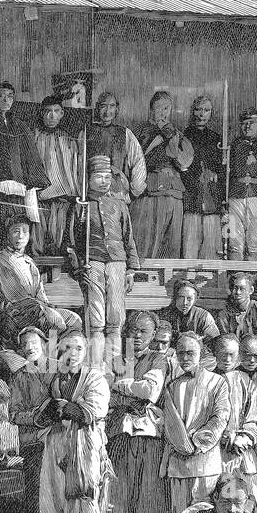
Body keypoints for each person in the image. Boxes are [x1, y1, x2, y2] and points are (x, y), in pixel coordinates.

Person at [24, 328, 111, 513]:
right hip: (55, 444)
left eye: (78, 349)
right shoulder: (55, 378)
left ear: (85, 352)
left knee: (82, 498)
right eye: (65, 349)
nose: (71, 354)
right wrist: (54, 409)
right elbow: (44, 411)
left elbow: (92, 410)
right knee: (52, 497)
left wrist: (66, 407)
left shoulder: (95, 378)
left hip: (83, 445)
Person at [106, 312, 171, 513]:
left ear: (153, 335)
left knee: (148, 495)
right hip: (120, 433)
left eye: (142, 332)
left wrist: (120, 387)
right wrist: (129, 392)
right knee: (118, 492)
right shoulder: (116, 360)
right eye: (131, 331)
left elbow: (150, 391)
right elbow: (106, 394)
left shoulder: (158, 359)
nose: (135, 336)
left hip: (147, 435)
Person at [69, 154, 140, 365]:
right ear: (89, 179)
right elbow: (71, 242)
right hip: (93, 262)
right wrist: (77, 267)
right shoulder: (81, 206)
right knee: (96, 319)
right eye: (99, 177)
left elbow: (129, 238)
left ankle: (114, 366)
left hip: (117, 263)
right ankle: (96, 366)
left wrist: (131, 270)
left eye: (107, 177)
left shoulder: (119, 205)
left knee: (116, 319)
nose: (104, 181)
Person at [160, 331, 231, 513]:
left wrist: (198, 442)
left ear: (201, 353)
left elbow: (220, 417)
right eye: (180, 353)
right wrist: (182, 444)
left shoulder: (217, 382)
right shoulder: (172, 386)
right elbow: (169, 423)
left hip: (205, 465)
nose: (184, 357)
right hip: (177, 467)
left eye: (190, 353)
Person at [0, 218, 76, 348]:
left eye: (25, 232)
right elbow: (12, 294)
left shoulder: (28, 261)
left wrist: (45, 305)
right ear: (8, 234)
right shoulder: (0, 259)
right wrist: (41, 307)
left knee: (74, 320)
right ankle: (48, 358)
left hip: (35, 309)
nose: (21, 236)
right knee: (56, 323)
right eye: (16, 231)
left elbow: (40, 291)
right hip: (13, 312)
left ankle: (56, 354)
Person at [213, 334, 257, 513]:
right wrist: (219, 436)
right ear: (214, 354)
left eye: (232, 355)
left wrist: (243, 437)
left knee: (249, 503)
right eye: (223, 354)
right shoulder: (208, 379)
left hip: (242, 455)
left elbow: (254, 419)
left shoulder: (245, 381)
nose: (227, 360)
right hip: (215, 455)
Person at [131, 91, 193, 258]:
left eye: (167, 108)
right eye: (159, 108)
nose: (163, 112)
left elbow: (184, 162)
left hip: (174, 192)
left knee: (171, 246)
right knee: (147, 243)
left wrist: (172, 137)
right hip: (150, 191)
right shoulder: (141, 131)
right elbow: (137, 159)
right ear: (151, 110)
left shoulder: (176, 133)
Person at [8, 326, 52, 513]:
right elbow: (13, 413)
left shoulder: (57, 370)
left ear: (44, 344)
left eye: (34, 342)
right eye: (25, 344)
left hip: (57, 440)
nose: (30, 347)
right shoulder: (20, 376)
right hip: (33, 443)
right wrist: (36, 417)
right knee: (35, 493)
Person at [0, 81, 49, 246]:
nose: (5, 100)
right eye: (0, 96)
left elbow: (31, 156)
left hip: (18, 188)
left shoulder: (20, 125)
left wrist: (29, 184)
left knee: (18, 229)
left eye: (9, 96)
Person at [32, 95, 81, 257]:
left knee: (60, 239)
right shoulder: (34, 137)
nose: (51, 116)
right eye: (47, 111)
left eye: (56, 111)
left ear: (62, 113)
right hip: (41, 197)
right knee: (38, 241)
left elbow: (74, 169)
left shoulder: (69, 140)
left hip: (64, 198)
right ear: (41, 113)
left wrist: (76, 194)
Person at [224, 107, 257, 261]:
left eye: (251, 123)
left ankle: (253, 280)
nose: (247, 126)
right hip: (235, 197)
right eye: (244, 123)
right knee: (234, 240)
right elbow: (226, 174)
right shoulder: (232, 147)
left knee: (256, 240)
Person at [181, 95, 224, 261]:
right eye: (198, 109)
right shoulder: (185, 136)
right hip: (191, 197)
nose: (201, 114)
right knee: (190, 246)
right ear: (193, 111)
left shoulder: (216, 139)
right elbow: (182, 167)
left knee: (212, 249)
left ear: (211, 113)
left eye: (206, 110)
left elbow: (222, 169)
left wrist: (214, 174)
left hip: (212, 199)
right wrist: (195, 178)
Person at [85, 91, 146, 204]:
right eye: (103, 106)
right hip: (92, 198)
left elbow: (138, 162)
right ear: (97, 108)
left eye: (111, 106)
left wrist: (133, 193)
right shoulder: (86, 133)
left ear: (116, 109)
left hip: (118, 197)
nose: (107, 111)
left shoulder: (125, 133)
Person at [217, 271, 257, 358]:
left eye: (242, 288)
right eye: (234, 288)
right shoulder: (224, 314)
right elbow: (224, 342)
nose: (237, 292)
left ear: (251, 290)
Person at [158, 279, 220, 347]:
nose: (184, 303)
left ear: (195, 299)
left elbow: (214, 342)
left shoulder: (203, 316)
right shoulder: (164, 315)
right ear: (175, 297)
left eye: (189, 299)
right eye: (181, 298)